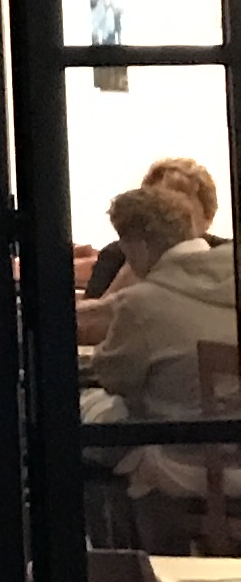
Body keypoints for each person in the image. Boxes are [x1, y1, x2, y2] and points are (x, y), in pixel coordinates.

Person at [81, 180, 240, 514]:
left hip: (188, 460)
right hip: (235, 449)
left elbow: (116, 377)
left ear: (138, 245)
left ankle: (121, 542)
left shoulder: (143, 303)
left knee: (87, 426)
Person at [82, 156, 224, 304]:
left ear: (208, 216)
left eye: (183, 212)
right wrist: (125, 278)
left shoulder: (227, 256)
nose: (171, 220)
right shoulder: (117, 255)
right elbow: (87, 316)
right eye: (158, 209)